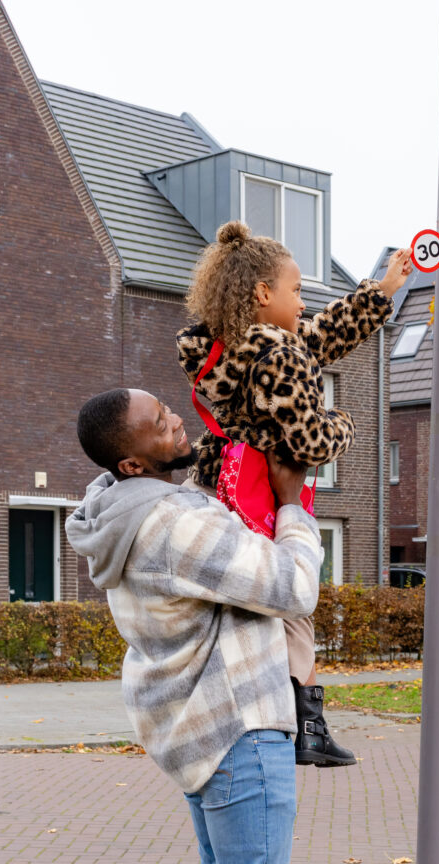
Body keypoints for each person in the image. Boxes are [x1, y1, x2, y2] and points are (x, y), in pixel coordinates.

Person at [63, 387, 319, 864]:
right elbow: (291, 586)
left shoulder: (115, 507)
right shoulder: (176, 521)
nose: (179, 419)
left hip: (194, 728)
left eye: (170, 409)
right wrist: (295, 507)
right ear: (134, 458)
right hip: (238, 722)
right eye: (161, 422)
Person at [176, 222, 412, 768]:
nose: (304, 303)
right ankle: (304, 727)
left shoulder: (222, 352)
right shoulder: (280, 356)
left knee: (248, 606)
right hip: (269, 491)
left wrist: (381, 292)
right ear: (263, 294)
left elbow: (322, 335)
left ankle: (259, 714)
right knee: (294, 601)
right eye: (298, 290)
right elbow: (309, 438)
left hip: (224, 487)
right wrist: (347, 423)